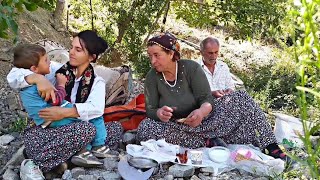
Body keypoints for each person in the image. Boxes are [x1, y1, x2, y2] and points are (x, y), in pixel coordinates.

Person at [136, 33, 291, 164]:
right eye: (150, 56)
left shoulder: (191, 68)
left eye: (157, 55)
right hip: (177, 126)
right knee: (146, 128)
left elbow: (207, 99)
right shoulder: (152, 77)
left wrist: (201, 112)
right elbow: (150, 110)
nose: (153, 61)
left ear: (171, 54)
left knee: (241, 98)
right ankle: (208, 141)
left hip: (208, 120)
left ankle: (271, 147)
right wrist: (158, 113)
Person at [7, 30, 123, 177]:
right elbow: (14, 74)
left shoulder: (96, 82)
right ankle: (63, 158)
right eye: (71, 47)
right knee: (34, 137)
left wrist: (63, 113)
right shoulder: (57, 70)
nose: (71, 52)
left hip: (75, 127)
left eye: (78, 50)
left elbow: (96, 109)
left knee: (110, 128)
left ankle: (59, 160)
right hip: (51, 129)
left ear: (92, 57)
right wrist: (37, 78)